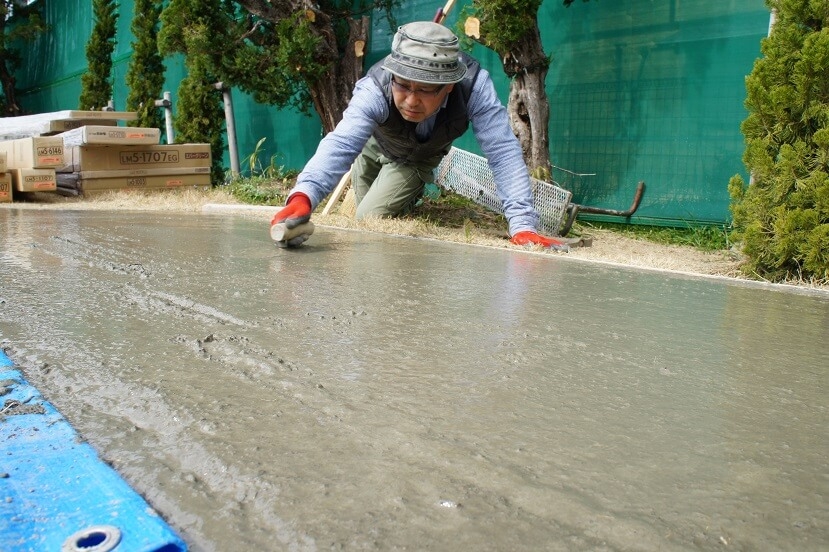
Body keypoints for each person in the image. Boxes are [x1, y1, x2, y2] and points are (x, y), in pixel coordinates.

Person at [271, 21, 568, 251]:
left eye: (426, 89)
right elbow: (343, 141)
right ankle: (396, 193)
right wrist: (303, 196)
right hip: (373, 144)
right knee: (356, 219)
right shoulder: (374, 86)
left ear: (449, 85)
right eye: (403, 86)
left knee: (367, 218)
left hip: (416, 157)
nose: (411, 101)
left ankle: (411, 191)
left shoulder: (474, 87)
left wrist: (522, 225)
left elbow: (502, 152)